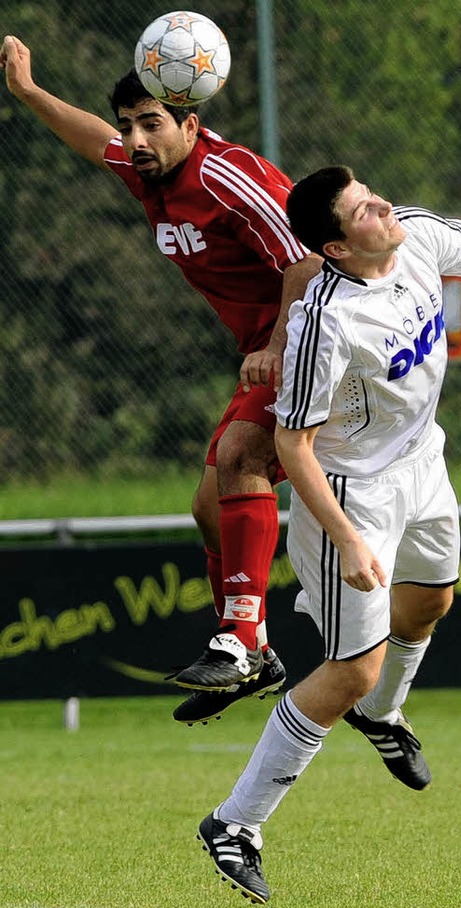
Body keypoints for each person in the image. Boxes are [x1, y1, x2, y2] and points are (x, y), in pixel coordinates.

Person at [191, 164, 461, 904]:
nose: (380, 204)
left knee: (431, 601)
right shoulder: (324, 322)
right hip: (349, 494)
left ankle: (383, 713)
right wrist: (348, 537)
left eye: (370, 191)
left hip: (422, 462)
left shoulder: (420, 233)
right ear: (335, 248)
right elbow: (294, 447)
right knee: (350, 668)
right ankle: (235, 822)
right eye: (361, 209)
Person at [0, 35, 322, 725]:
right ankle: (257, 650)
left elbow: (307, 262)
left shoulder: (224, 175)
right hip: (271, 348)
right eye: (129, 125)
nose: (135, 139)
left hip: (319, 337)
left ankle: (238, 640)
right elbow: (93, 141)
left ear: (192, 126)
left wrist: (274, 344)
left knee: (241, 455)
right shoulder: (149, 169)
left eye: (152, 124)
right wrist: (29, 93)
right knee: (210, 509)